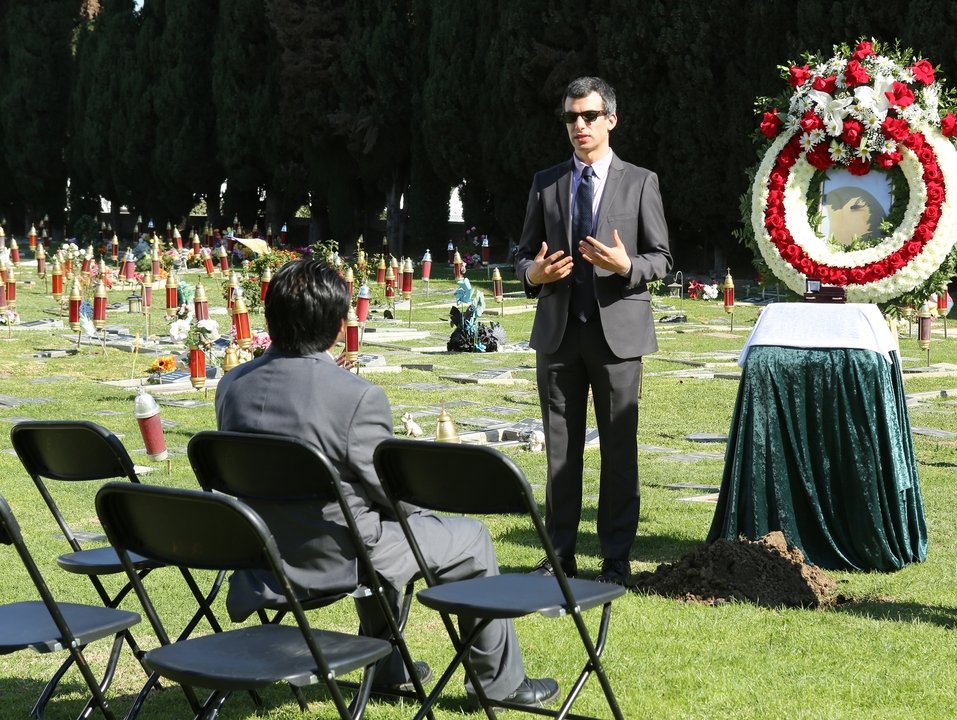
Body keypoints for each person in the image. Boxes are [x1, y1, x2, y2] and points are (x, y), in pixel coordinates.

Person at [215, 259, 559, 706]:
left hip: (261, 555)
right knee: (468, 538)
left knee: (373, 523)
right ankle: (499, 684)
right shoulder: (354, 396)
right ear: (339, 327)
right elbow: (394, 490)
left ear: (269, 317)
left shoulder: (232, 385)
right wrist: (421, 513)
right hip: (336, 557)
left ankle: (386, 666)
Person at [515, 76, 672, 584]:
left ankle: (616, 557)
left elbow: (662, 258)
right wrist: (533, 275)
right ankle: (559, 555)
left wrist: (628, 266)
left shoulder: (640, 181)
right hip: (558, 336)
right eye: (570, 117)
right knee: (560, 451)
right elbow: (523, 255)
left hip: (617, 336)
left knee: (619, 450)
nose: (578, 125)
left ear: (611, 119)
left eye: (588, 116)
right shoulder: (546, 182)